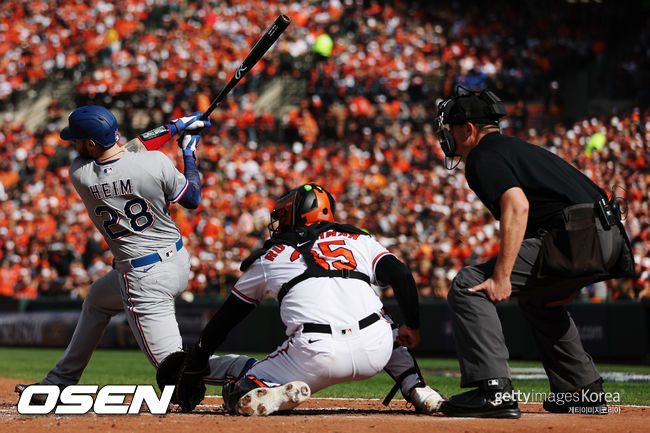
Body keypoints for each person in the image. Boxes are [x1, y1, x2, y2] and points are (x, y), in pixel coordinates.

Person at [15, 106, 254, 412]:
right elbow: (192, 198)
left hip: (143, 278)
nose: (73, 144)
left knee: (172, 366)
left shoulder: (81, 174)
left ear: (90, 144)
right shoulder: (154, 162)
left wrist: (175, 127)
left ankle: (249, 370)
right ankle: (58, 384)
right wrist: (188, 151)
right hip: (177, 261)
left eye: (77, 139)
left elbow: (130, 150)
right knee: (98, 298)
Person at [432, 88, 635, 418]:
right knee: (538, 300)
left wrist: (501, 277)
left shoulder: (483, 155)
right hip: (608, 237)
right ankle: (582, 392)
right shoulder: (518, 149)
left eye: (451, 129)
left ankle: (494, 391)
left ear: (468, 129)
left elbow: (517, 205)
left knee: (468, 284)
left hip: (578, 236)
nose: (447, 137)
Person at [175, 183, 444, 416]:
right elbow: (401, 274)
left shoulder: (270, 257)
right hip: (376, 349)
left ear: (296, 215)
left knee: (240, 388)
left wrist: (198, 360)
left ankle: (271, 391)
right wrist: (413, 324)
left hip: (316, 355)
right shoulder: (358, 239)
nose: (279, 224)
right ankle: (419, 389)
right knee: (384, 322)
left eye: (283, 217)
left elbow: (225, 320)